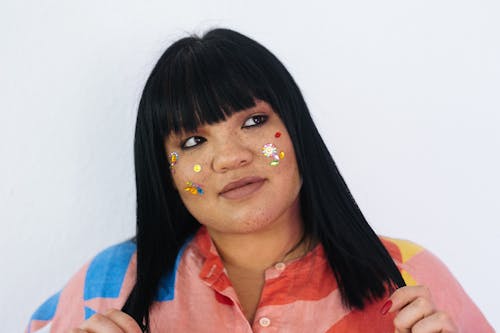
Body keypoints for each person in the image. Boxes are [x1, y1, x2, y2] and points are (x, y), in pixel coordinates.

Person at [26, 28, 493, 333]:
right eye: (192, 142)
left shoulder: (411, 278)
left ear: (295, 131)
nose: (230, 157)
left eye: (252, 122)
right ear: (162, 170)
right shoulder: (105, 287)